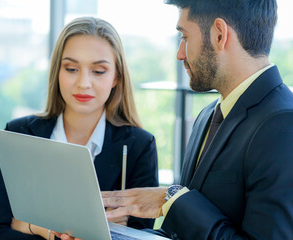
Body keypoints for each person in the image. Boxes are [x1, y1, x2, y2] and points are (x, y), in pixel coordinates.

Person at [99, 0, 293, 240]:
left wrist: (173, 198)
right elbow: (181, 234)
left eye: (185, 37)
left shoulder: (283, 124)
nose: (180, 54)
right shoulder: (207, 116)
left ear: (219, 34)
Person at [0, 16, 159, 240]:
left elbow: (140, 236)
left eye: (98, 71)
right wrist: (50, 232)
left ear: (116, 77)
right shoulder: (18, 135)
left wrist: (26, 225)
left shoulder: (139, 146)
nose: (83, 83)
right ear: (58, 72)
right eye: (71, 68)